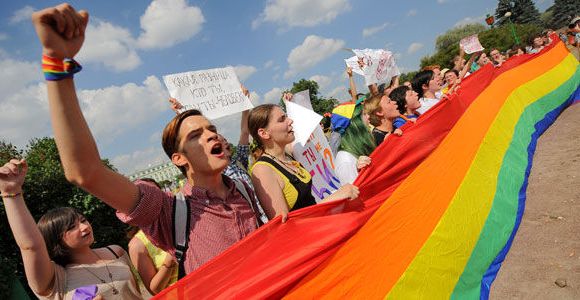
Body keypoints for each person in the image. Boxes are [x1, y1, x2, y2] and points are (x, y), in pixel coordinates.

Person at [31, 3, 261, 275]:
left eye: (211, 129)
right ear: (179, 158)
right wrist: (56, 63)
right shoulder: (167, 211)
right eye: (196, 135)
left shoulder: (245, 190)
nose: (212, 135)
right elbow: (85, 172)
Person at [0, 159, 142, 299]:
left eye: (83, 220)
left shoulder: (115, 251)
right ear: (55, 238)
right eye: (72, 227)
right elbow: (31, 247)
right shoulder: (55, 279)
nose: (85, 227)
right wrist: (11, 193)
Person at [248, 100, 359, 222]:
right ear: (264, 133)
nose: (290, 121)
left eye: (287, 116)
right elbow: (283, 224)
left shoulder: (288, 155)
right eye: (282, 119)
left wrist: (356, 163)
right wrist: (334, 198)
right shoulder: (263, 170)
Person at [127, 179, 177, 297]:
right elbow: (154, 290)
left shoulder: (182, 220)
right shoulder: (137, 245)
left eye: (156, 195)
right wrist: (169, 260)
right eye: (146, 199)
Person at [331, 101, 375, 184]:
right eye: (364, 114)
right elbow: (355, 195)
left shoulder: (360, 147)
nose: (369, 117)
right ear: (354, 123)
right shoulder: (345, 161)